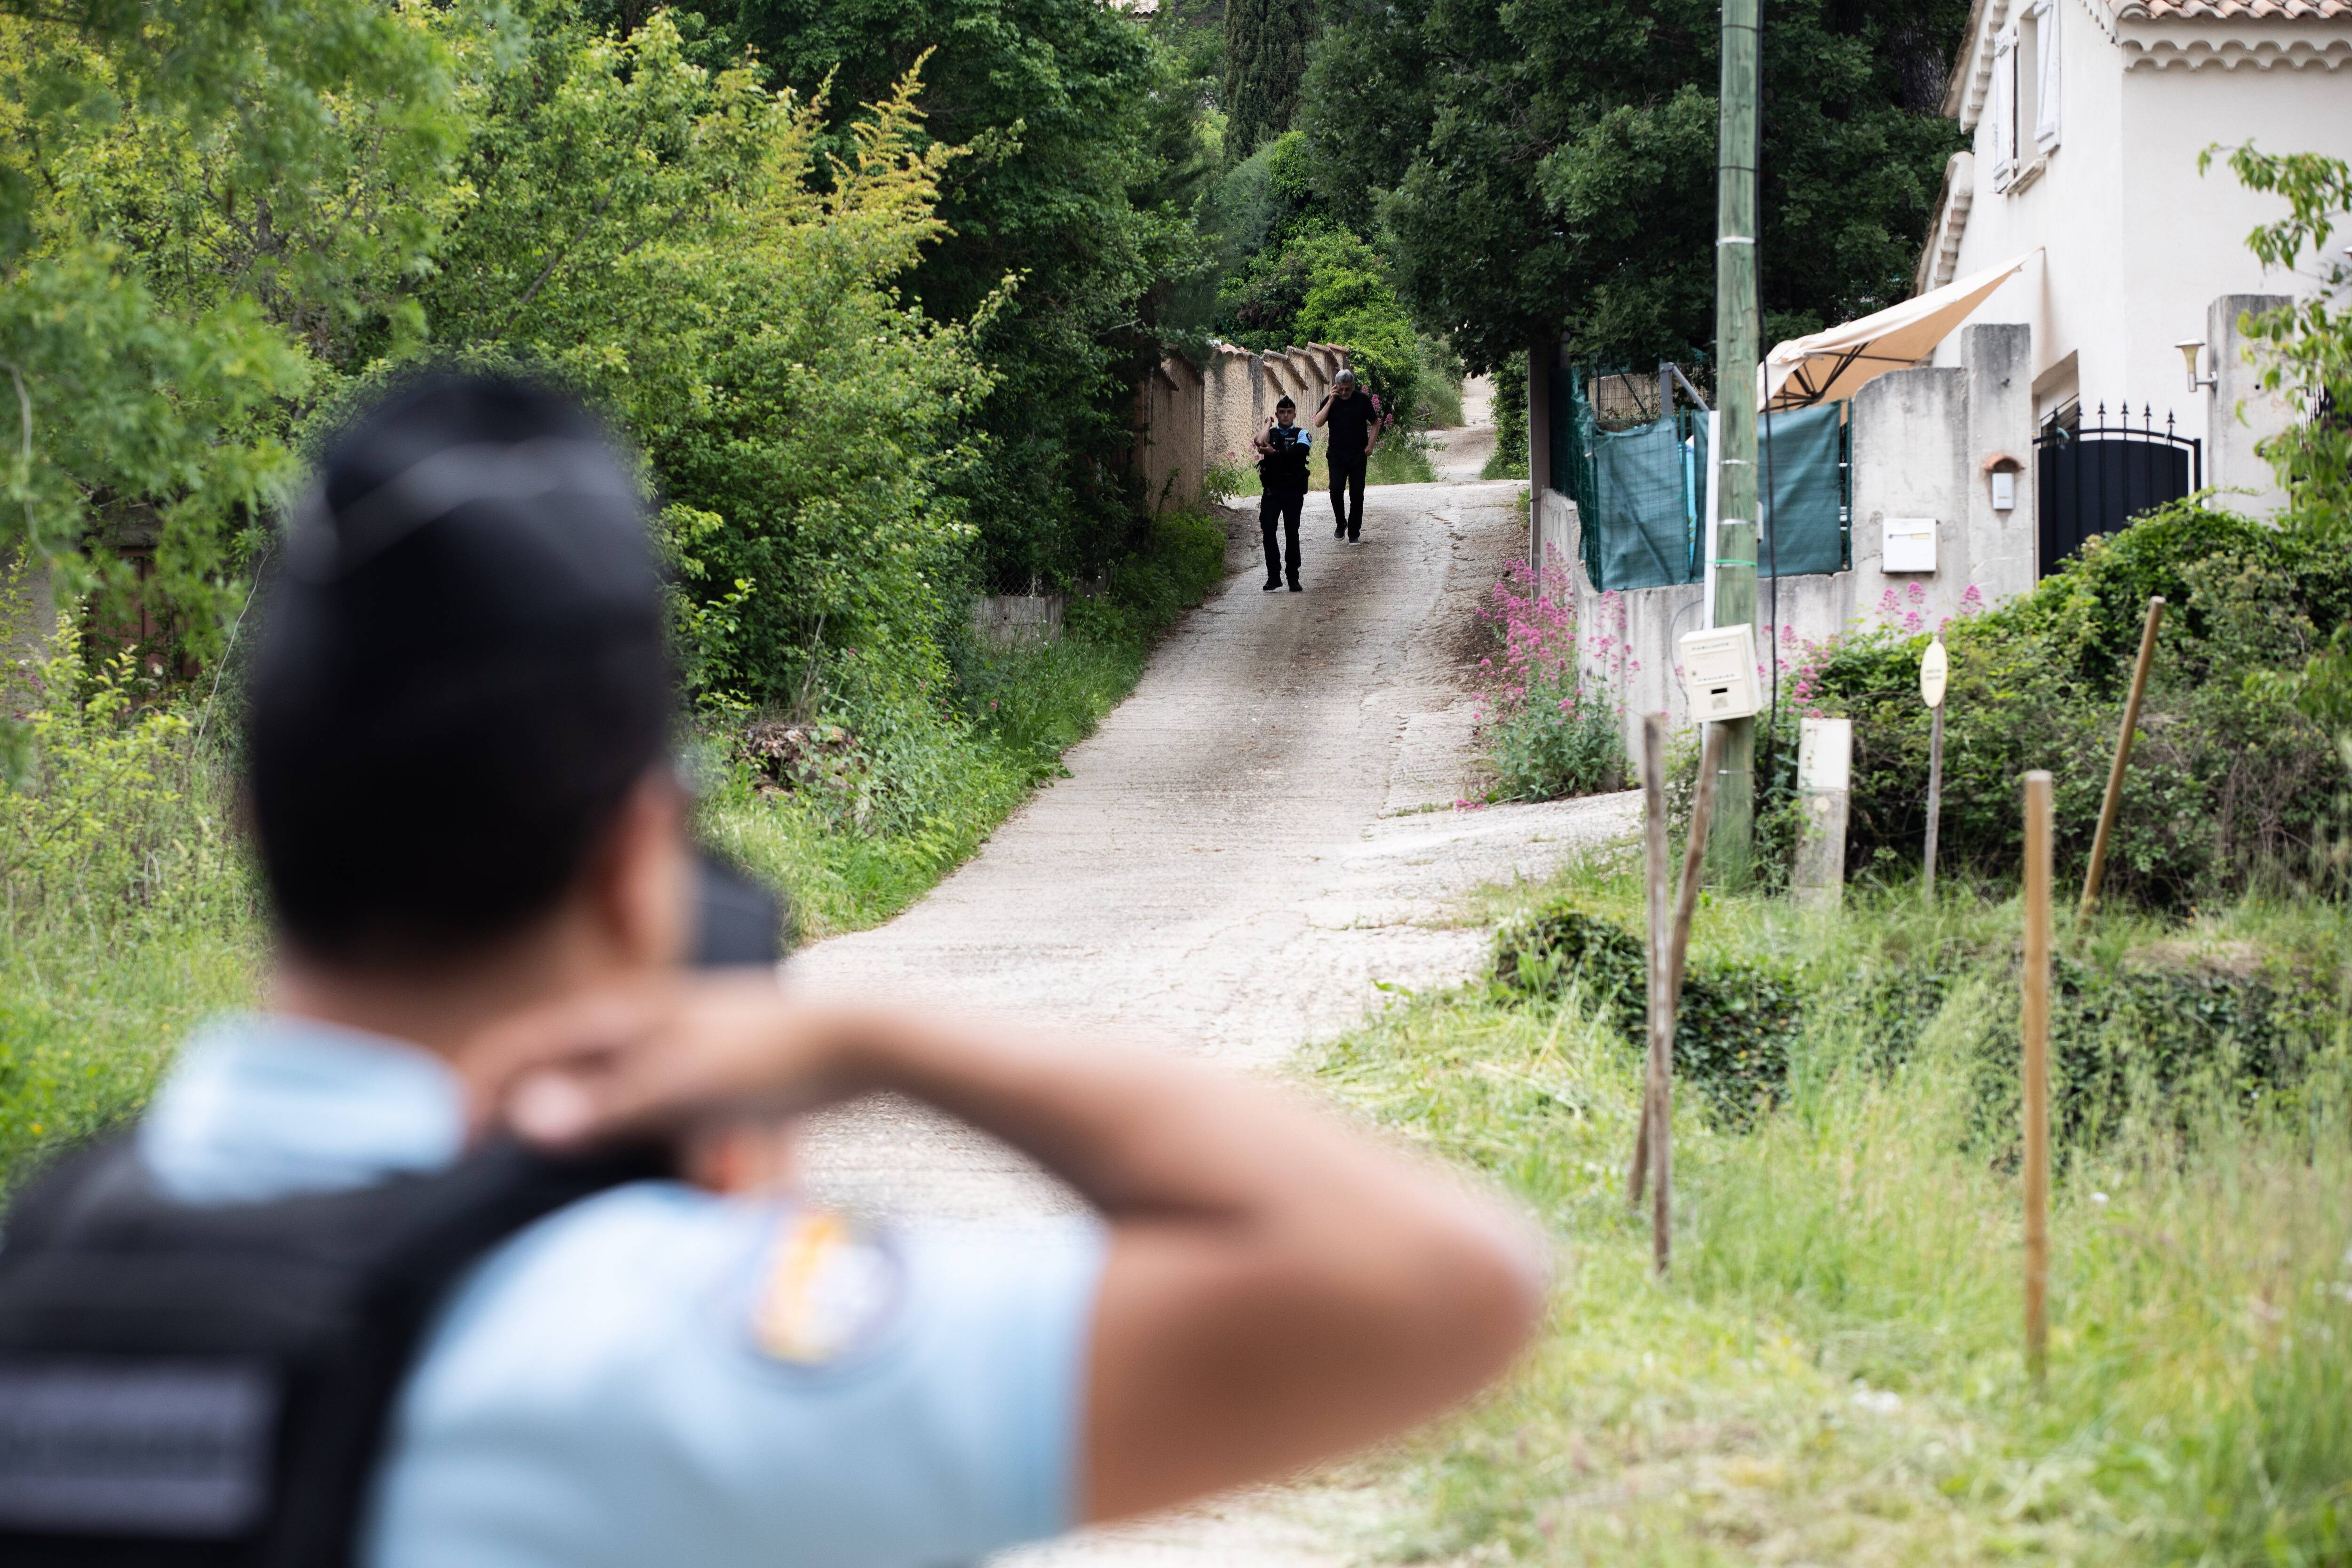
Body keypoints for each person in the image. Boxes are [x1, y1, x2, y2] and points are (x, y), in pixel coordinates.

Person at [0, 372, 1543, 1567]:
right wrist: (878, 1042)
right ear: (635, 855)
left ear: (249, 814)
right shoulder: (635, 1349)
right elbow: (1444, 1284)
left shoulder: (41, 1275)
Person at [1251, 395, 1311, 592]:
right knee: (1269, 531)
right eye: (1282, 413)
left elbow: (1299, 454)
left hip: (1293, 491)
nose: (1285, 415)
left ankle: (1293, 577)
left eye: (1289, 412)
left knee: (1292, 533)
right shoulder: (1272, 433)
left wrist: (1275, 454)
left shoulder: (1302, 433)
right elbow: (1259, 442)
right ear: (1277, 414)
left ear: (1295, 414)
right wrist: (1268, 424)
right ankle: (1273, 576)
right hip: (1272, 491)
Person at [1311, 367, 1378, 542]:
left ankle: (1354, 533)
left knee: (1357, 494)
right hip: (1336, 455)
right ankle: (1341, 523)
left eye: (1347, 389)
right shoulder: (1331, 400)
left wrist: (1370, 447)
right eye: (1340, 389)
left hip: (1358, 455)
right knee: (1335, 490)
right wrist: (1332, 400)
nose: (1344, 392)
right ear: (1336, 387)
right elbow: (1318, 422)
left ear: (1353, 386)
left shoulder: (1362, 400)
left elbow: (1376, 423)